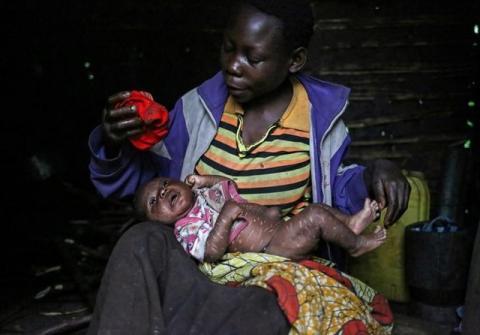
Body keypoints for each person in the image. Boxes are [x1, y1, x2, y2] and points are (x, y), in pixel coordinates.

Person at [87, 0, 410, 333]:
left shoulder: (318, 126)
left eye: (252, 58)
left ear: (295, 60)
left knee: (271, 306)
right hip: (193, 262)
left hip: (266, 269)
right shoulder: (197, 110)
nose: (233, 66)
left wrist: (376, 171)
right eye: (228, 49)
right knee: (140, 240)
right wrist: (113, 143)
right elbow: (146, 187)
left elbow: (338, 194)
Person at [135, 174, 387, 262]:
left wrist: (203, 180)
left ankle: (349, 224)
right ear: (157, 223)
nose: (163, 191)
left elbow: (227, 185)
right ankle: (356, 246)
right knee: (315, 216)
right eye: (154, 201)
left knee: (320, 208)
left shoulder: (201, 196)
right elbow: (210, 252)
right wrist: (225, 217)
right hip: (272, 248)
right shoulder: (186, 229)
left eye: (165, 184)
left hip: (279, 229)